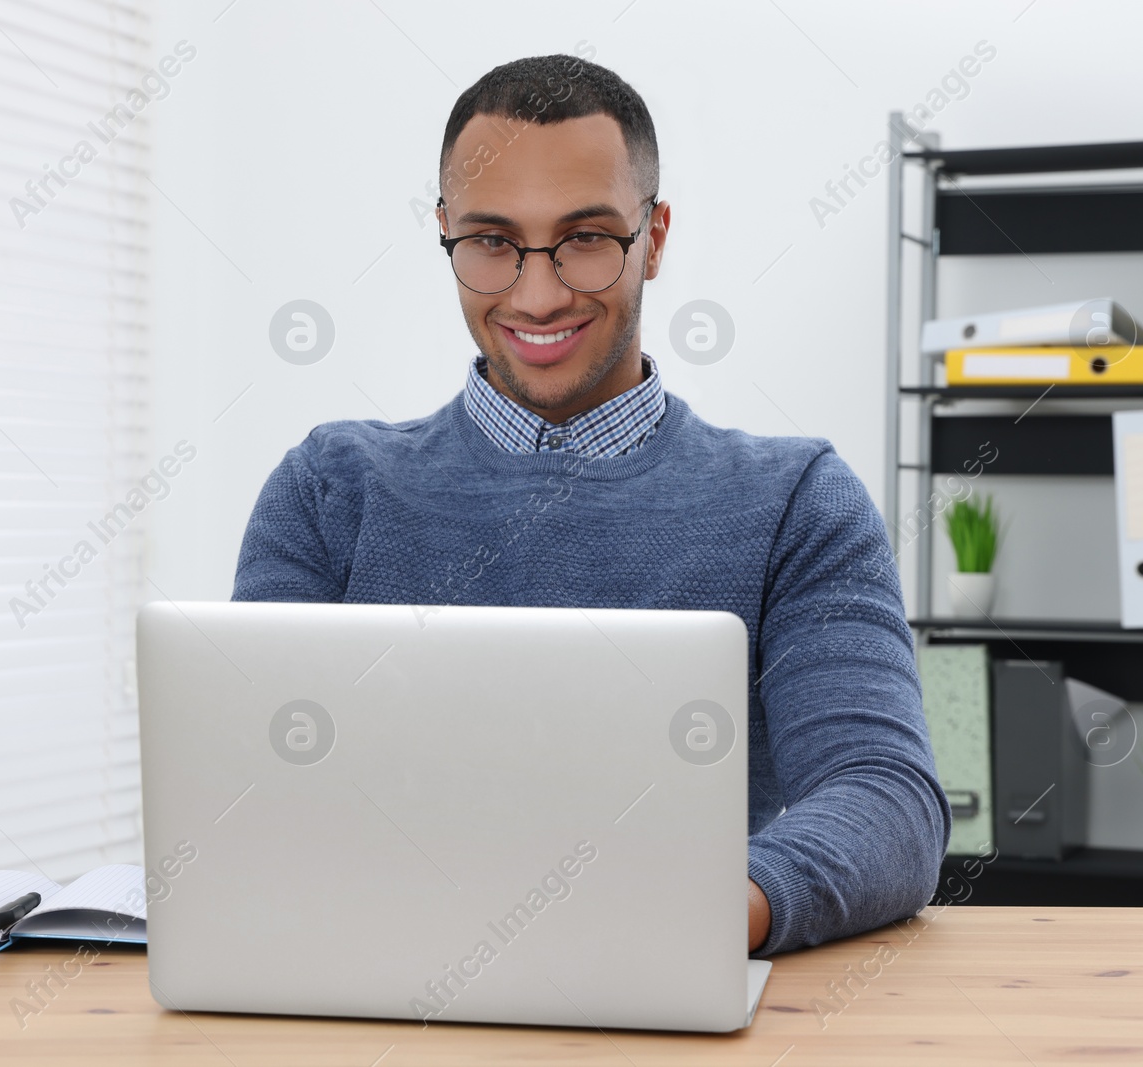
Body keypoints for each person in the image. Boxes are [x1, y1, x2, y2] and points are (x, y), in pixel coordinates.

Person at [232, 53, 950, 956]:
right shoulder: (330, 488)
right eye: (493, 241)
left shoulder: (797, 501)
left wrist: (704, 916)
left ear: (653, 237)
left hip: (678, 983)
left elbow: (883, 793)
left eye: (585, 238)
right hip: (375, 990)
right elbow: (250, 786)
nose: (538, 293)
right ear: (446, 233)